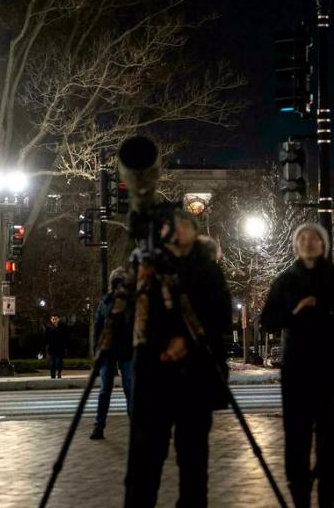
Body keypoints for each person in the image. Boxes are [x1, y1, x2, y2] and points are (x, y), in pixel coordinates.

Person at [124, 209, 232, 508]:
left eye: (184, 224)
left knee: (194, 459)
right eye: (171, 225)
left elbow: (220, 314)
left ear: (195, 232)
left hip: (196, 374)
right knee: (146, 459)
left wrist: (186, 341)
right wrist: (163, 342)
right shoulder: (148, 265)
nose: (176, 230)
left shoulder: (208, 268)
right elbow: (134, 316)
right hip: (154, 371)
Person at [261, 223, 334, 508]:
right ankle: (300, 498)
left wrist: (325, 311)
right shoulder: (285, 281)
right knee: (297, 439)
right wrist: (295, 311)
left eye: (315, 237)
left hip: (330, 368)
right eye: (303, 237)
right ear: (295, 245)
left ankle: (327, 497)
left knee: (330, 439)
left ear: (323, 244)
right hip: (297, 369)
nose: (309, 241)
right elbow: (267, 320)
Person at [90, 266, 135, 440]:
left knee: (129, 389)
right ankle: (99, 426)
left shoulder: (132, 302)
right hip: (108, 352)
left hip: (126, 350)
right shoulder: (106, 302)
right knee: (105, 389)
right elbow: (97, 327)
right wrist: (97, 350)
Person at [45, 313, 68, 379]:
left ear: (58, 319)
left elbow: (66, 338)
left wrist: (66, 347)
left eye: (56, 319)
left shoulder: (63, 327)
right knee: (52, 364)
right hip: (52, 349)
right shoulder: (49, 328)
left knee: (59, 363)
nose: (54, 320)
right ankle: (52, 376)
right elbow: (46, 338)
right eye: (53, 319)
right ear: (51, 320)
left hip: (60, 348)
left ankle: (59, 373)